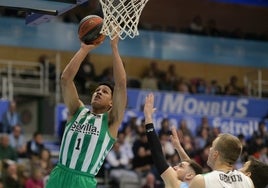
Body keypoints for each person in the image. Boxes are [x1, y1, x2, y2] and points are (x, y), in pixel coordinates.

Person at [45, 33, 127, 188]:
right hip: (59, 174)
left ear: (111, 103)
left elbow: (121, 85)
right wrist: (83, 49)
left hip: (83, 180)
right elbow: (65, 79)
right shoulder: (77, 111)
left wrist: (114, 47)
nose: (99, 92)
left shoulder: (111, 121)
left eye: (105, 91)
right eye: (97, 90)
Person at [143, 93, 203, 188]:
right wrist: (178, 147)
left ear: (189, 176)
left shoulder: (177, 183)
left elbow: (157, 152)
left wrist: (148, 118)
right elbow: (189, 165)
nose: (175, 167)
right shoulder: (197, 184)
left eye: (180, 166)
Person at [189, 133, 254, 188]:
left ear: (215, 154)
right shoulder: (248, 182)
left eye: (212, 146)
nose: (210, 149)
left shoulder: (201, 181)